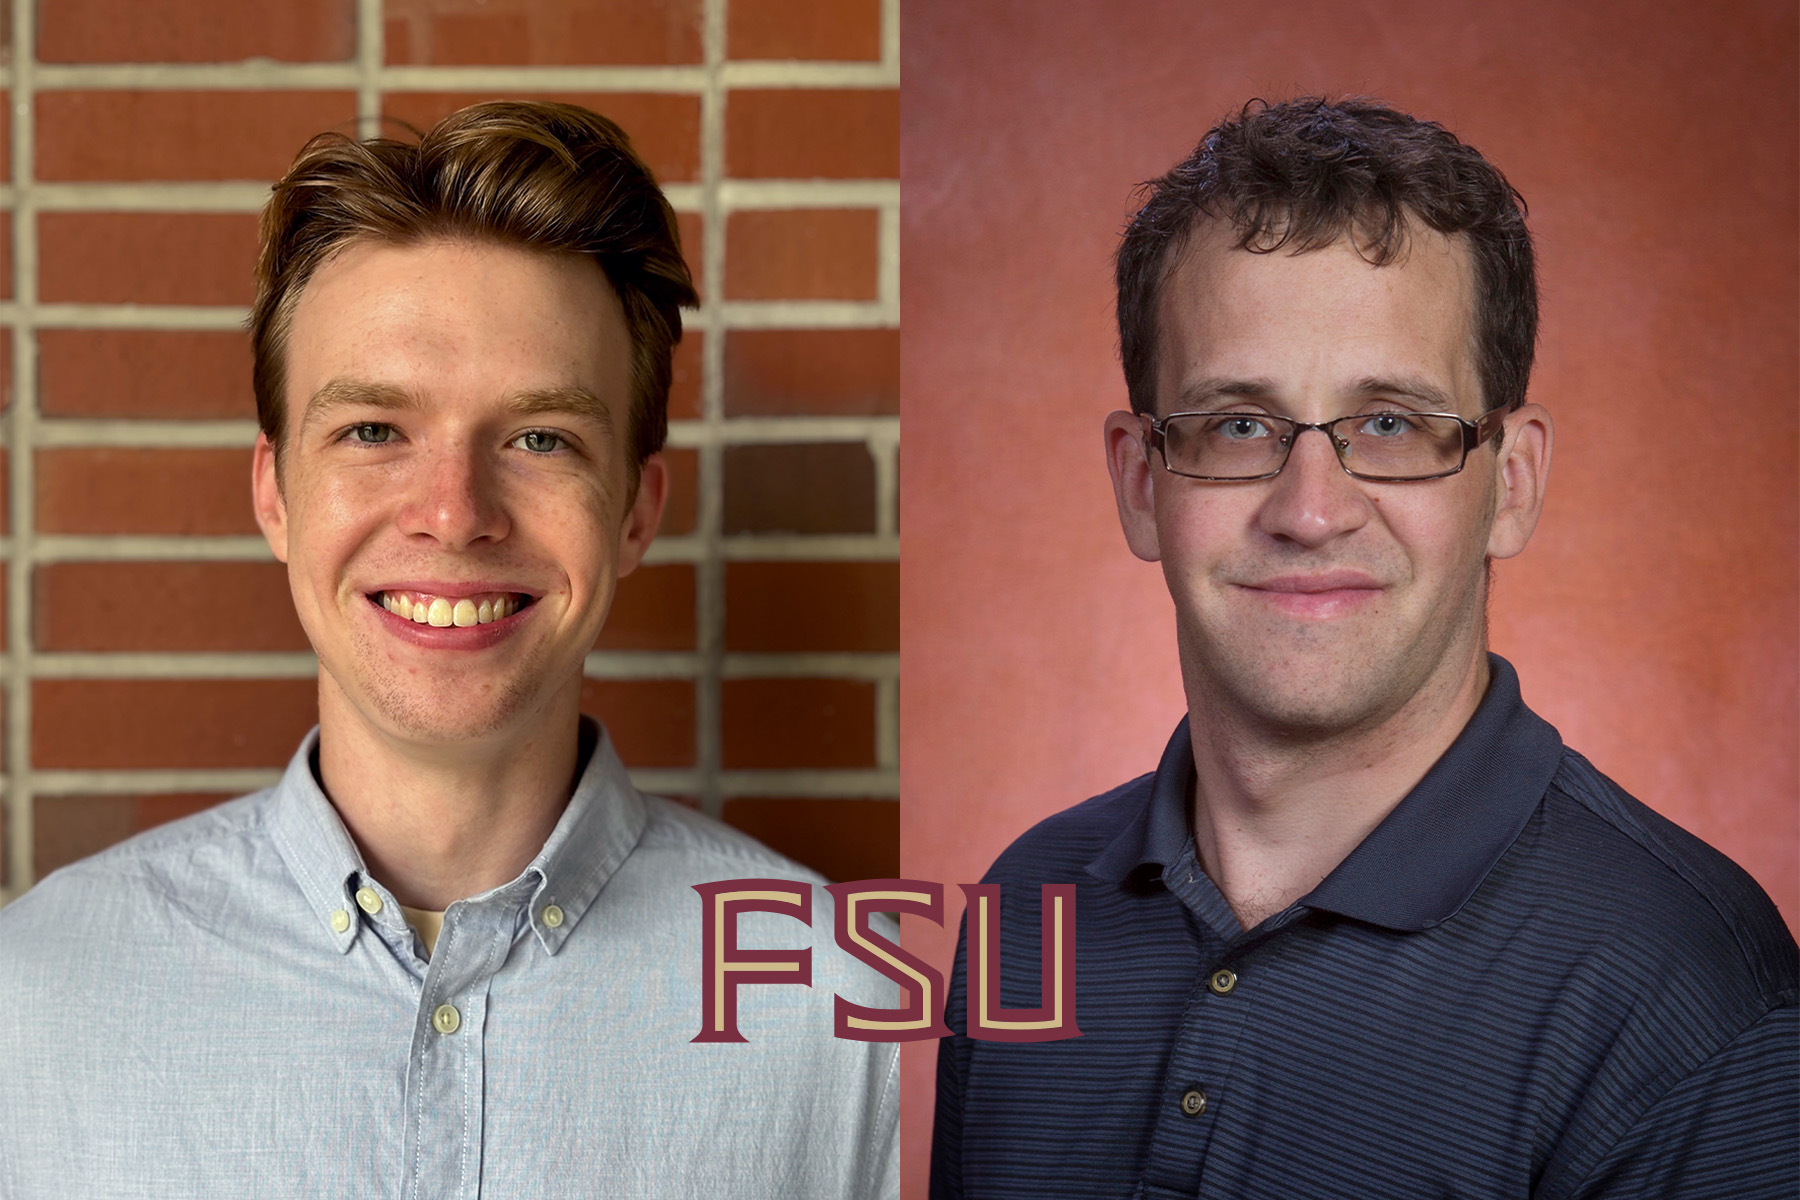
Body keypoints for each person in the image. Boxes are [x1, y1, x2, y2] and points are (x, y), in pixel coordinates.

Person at [0, 101, 897, 1199]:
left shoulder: (843, 1021)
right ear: (276, 495)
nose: (454, 513)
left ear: (634, 512)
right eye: (373, 430)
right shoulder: (35, 999)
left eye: (539, 439)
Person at [930, 97, 1797, 1199]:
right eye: (1238, 423)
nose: (1310, 509)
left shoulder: (1690, 996)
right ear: (1142, 484)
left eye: (1390, 423)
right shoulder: (1026, 913)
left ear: (1512, 483)